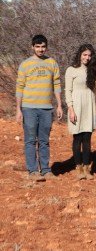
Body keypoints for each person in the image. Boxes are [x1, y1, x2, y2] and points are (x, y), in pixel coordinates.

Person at [16, 34, 63, 181]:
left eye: (43, 46)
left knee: (44, 140)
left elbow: (56, 85)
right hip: (29, 108)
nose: (40, 49)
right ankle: (33, 171)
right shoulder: (25, 64)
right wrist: (18, 109)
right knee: (30, 140)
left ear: (46, 47)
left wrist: (60, 105)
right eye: (37, 46)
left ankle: (46, 170)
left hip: (46, 108)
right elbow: (20, 87)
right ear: (32, 47)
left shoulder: (52, 63)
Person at [65, 44, 96, 180]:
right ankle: (78, 167)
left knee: (87, 138)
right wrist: (71, 109)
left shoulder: (93, 70)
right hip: (76, 107)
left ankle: (86, 167)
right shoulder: (71, 70)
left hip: (89, 105)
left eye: (89, 55)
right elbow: (68, 91)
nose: (87, 57)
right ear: (80, 55)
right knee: (77, 138)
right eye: (85, 55)